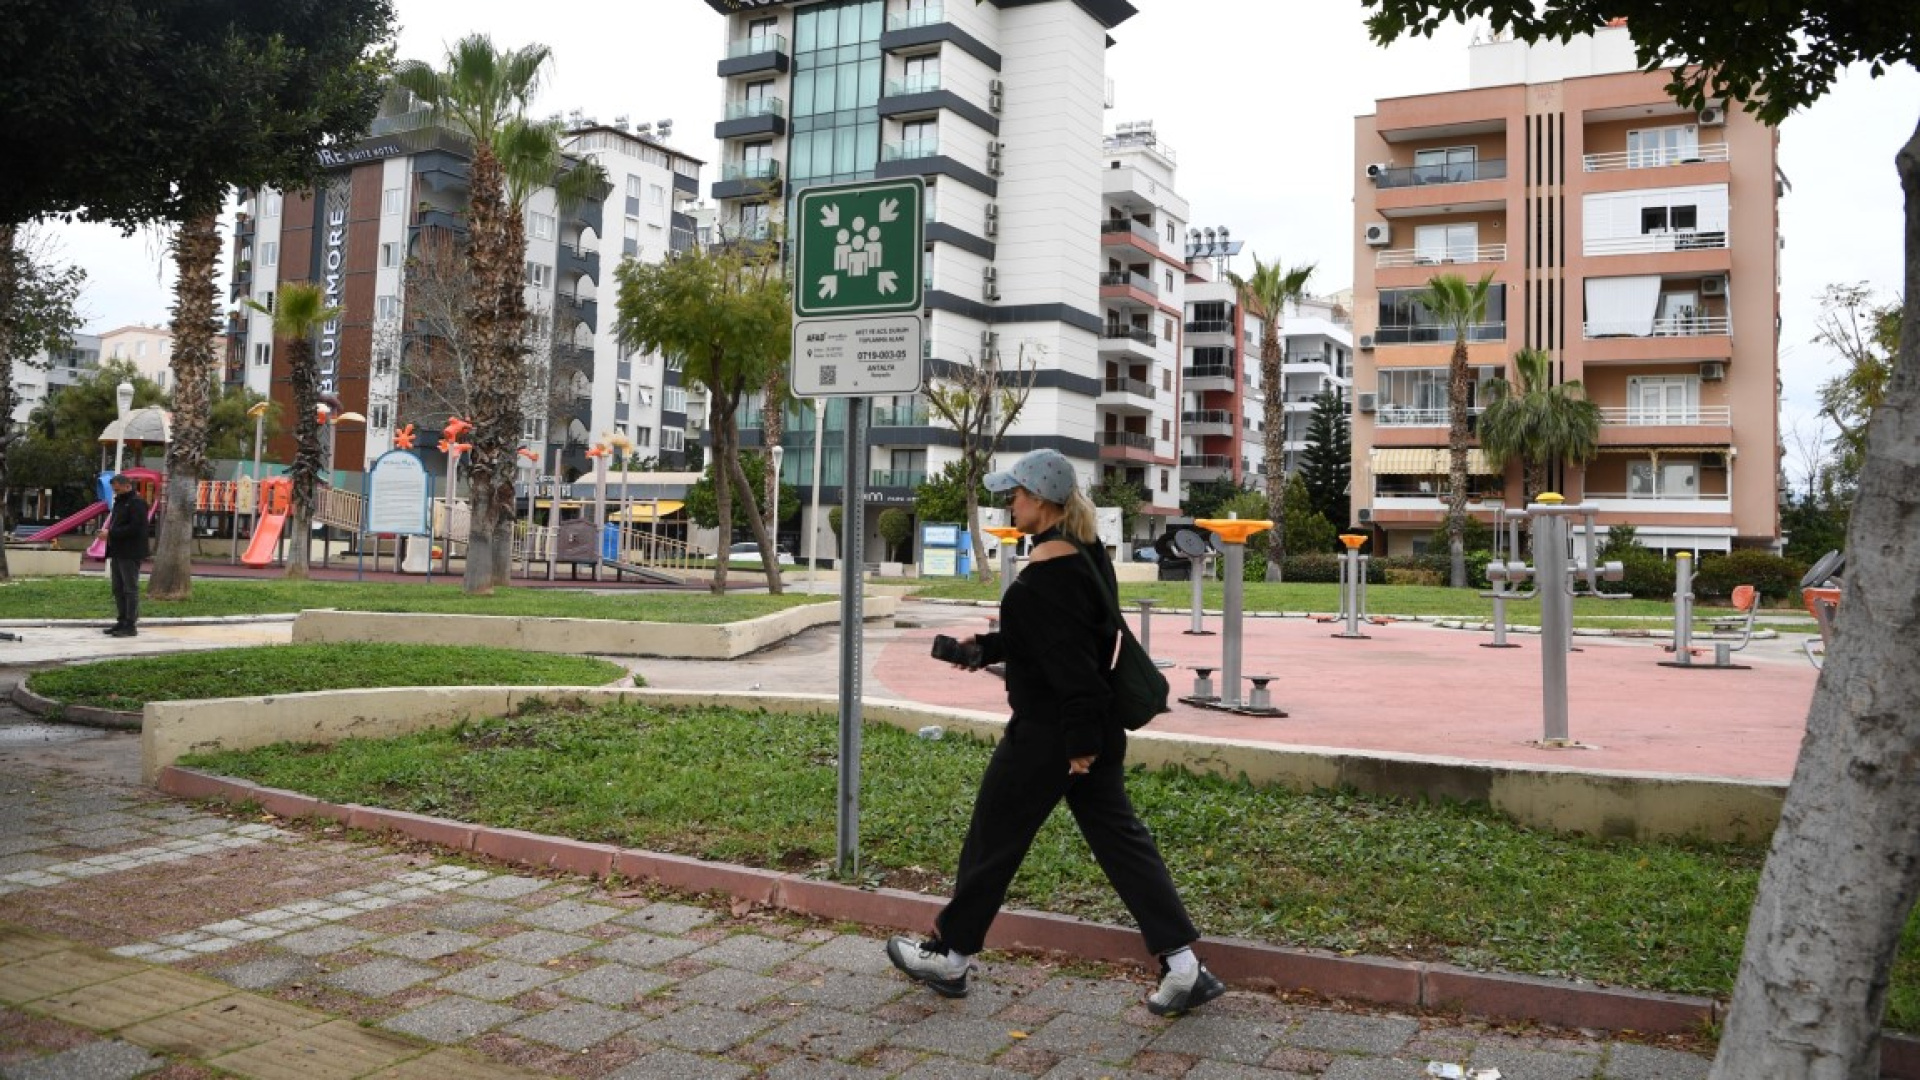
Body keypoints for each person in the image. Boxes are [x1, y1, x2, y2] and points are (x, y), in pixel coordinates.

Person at [885, 448, 1224, 1016]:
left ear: (1040, 501)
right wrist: (983, 650)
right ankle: (1184, 967)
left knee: (992, 841)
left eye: (1015, 494)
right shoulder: (1085, 556)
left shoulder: (1043, 580)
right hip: (1087, 731)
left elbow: (1075, 673)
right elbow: (1058, 643)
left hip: (1054, 738)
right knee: (1124, 847)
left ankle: (950, 957)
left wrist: (1079, 749)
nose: (1009, 502)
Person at [103, 473, 149, 637]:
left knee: (130, 588)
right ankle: (121, 620)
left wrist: (111, 533)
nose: (115, 492)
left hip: (130, 551)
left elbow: (136, 528)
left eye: (117, 489)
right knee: (118, 588)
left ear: (127, 486)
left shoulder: (137, 503)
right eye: (114, 489)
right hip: (117, 550)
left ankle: (130, 624)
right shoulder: (119, 502)